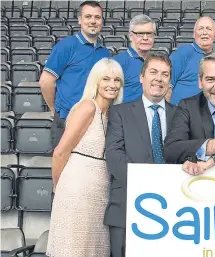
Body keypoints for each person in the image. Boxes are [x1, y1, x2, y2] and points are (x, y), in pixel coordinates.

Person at [47, 58, 124, 257]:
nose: (112, 85)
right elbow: (60, 152)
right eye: (106, 79)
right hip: (76, 190)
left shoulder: (112, 114)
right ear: (96, 81)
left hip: (99, 192)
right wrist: (59, 187)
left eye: (117, 80)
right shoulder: (88, 107)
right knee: (74, 249)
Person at [104, 52, 176, 257]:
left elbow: (184, 154)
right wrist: (147, 183)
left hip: (170, 210)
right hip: (127, 207)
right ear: (141, 77)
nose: (158, 79)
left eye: (165, 74)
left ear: (170, 80)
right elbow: (114, 155)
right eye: (153, 72)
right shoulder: (120, 113)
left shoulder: (180, 114)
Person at [39, 0, 110, 149]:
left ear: (102, 21)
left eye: (97, 17)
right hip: (66, 121)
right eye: (88, 16)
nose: (93, 21)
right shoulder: (66, 46)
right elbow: (46, 81)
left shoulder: (105, 53)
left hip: (93, 123)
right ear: (79, 19)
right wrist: (55, 110)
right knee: (64, 170)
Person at [168, 16, 215, 105]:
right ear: (194, 34)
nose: (204, 32)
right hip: (180, 113)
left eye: (209, 29)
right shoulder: (183, 52)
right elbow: (166, 86)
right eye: (200, 28)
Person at [113, 14, 156, 103]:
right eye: (140, 34)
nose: (145, 38)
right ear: (130, 36)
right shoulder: (117, 63)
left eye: (149, 33)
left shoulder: (156, 63)